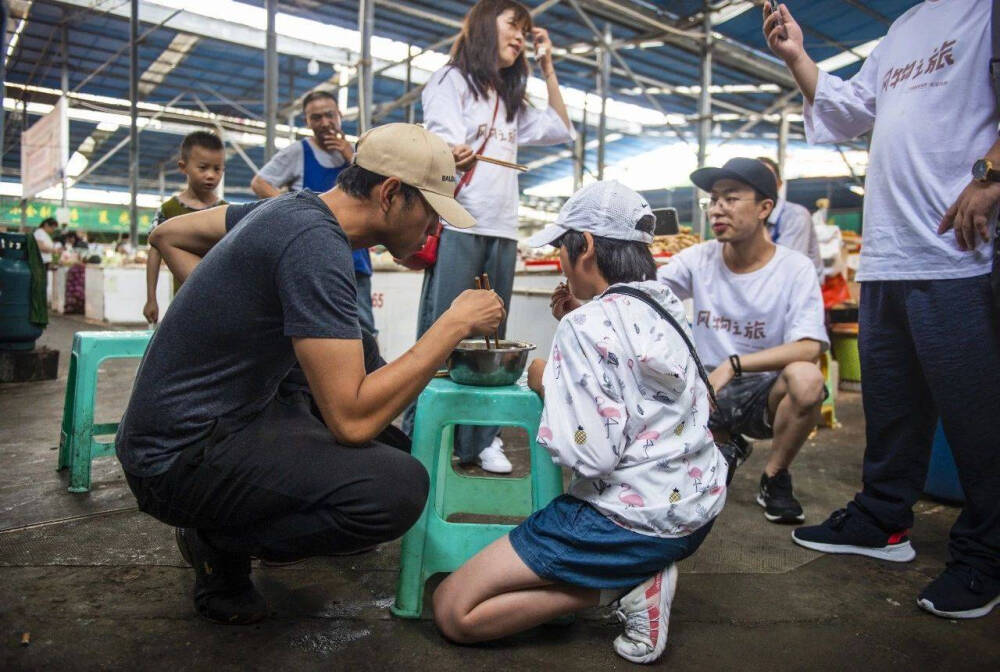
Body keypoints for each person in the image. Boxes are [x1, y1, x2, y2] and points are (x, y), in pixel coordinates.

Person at [118, 124, 505, 625]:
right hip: (173, 457)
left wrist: (235, 310)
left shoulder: (286, 209)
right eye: (430, 211)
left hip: (212, 422)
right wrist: (452, 324)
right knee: (394, 490)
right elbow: (351, 421)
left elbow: (167, 234)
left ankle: (230, 518)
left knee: (384, 432)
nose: (434, 229)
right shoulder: (312, 244)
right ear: (390, 193)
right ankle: (216, 539)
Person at [765, 1, 1000, 619]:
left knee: (978, 416)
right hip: (890, 252)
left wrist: (991, 173)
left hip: (959, 252)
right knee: (892, 404)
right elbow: (847, 111)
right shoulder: (903, 28)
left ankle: (986, 552)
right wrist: (798, 57)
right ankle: (882, 519)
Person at [432, 181, 726, 664]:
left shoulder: (584, 326)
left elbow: (589, 454)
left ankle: (620, 586)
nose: (561, 262)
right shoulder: (665, 304)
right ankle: (631, 574)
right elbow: (637, 377)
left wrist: (547, 379)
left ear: (584, 245)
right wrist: (581, 324)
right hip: (696, 508)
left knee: (454, 612)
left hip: (630, 523)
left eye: (561, 248)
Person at [412, 0, 575, 473]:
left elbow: (562, 128)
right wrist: (450, 153)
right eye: (514, 26)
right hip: (460, 221)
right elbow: (441, 140)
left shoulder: (509, 99)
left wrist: (547, 65)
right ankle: (429, 433)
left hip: (502, 229)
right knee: (444, 333)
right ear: (486, 25)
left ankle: (479, 440)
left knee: (490, 337)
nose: (521, 37)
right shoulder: (450, 80)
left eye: (526, 31)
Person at [658, 158, 828, 524]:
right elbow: (646, 290)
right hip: (704, 388)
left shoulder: (794, 268)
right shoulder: (697, 259)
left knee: (807, 378)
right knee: (681, 499)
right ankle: (724, 441)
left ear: (765, 207)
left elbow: (810, 347)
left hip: (762, 391)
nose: (717, 209)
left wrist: (733, 365)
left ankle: (775, 476)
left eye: (731, 199)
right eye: (713, 200)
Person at [250, 91, 377, 336]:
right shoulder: (298, 152)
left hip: (355, 261)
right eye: (315, 117)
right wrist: (296, 209)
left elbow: (376, 193)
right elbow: (260, 183)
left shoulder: (360, 155)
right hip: (312, 259)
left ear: (340, 115)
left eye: (330, 115)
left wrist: (350, 157)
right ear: (307, 122)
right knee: (313, 328)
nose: (324, 123)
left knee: (364, 330)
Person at [143, 131, 227, 324]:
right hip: (183, 301)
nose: (211, 175)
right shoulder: (168, 210)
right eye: (203, 168)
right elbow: (154, 254)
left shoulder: (226, 211)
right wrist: (151, 299)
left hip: (220, 301)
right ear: (183, 167)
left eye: (217, 169)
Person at [757, 156, 823, 278]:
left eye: (767, 180)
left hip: (799, 288)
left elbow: (788, 268)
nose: (760, 186)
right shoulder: (750, 216)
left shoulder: (796, 216)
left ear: (779, 184)